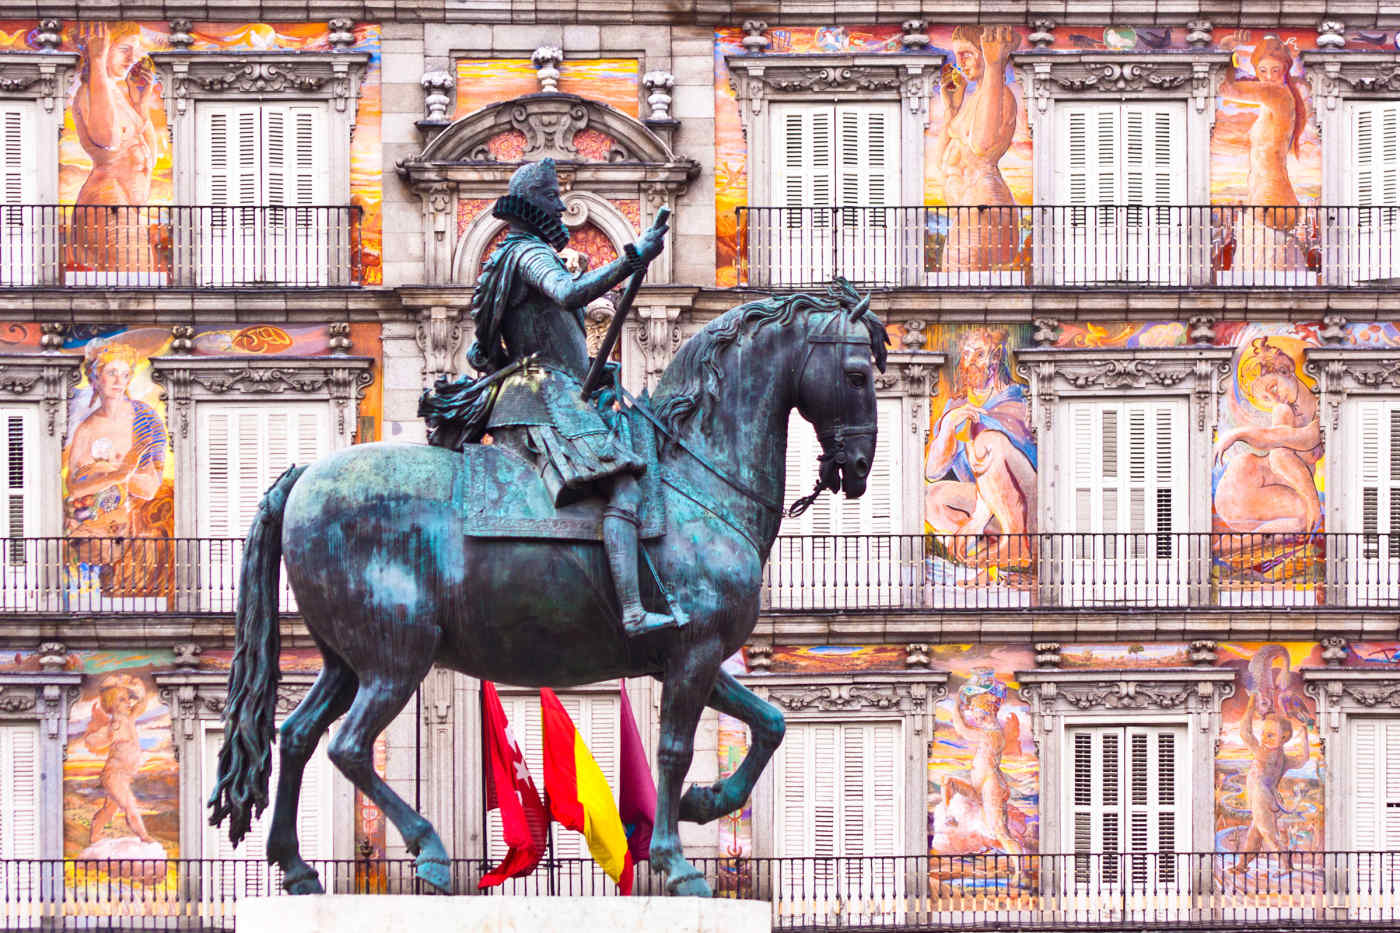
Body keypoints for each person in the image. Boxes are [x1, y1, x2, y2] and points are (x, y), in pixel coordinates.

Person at [422, 159, 674, 637]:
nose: (561, 209)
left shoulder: (506, 257)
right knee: (623, 485)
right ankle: (633, 611)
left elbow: (489, 346)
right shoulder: (527, 253)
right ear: (538, 207)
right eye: (554, 200)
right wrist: (631, 258)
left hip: (541, 390)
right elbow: (570, 292)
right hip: (544, 396)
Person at [924, 329, 1036, 567]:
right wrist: (948, 426)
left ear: (995, 358)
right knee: (928, 497)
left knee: (987, 441)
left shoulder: (1016, 399)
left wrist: (976, 520)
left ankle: (1016, 544)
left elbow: (999, 466)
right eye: (966, 355)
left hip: (1028, 505)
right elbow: (932, 471)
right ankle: (980, 556)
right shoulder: (957, 405)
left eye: (979, 355)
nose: (971, 362)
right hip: (990, 508)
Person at [69, 22, 160, 275]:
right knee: (133, 286)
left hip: (126, 207)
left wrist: (141, 102)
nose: (132, 58)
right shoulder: (91, 91)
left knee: (140, 282)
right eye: (123, 49)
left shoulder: (116, 94)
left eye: (135, 50)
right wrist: (97, 61)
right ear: (103, 48)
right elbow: (107, 139)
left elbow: (145, 149)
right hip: (109, 203)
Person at [930, 26, 1021, 274]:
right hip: (971, 207)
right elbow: (943, 164)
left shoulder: (1001, 94)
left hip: (985, 205)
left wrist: (994, 67)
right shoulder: (974, 100)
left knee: (964, 287)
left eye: (967, 54)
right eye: (957, 55)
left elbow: (982, 145)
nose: (960, 63)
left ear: (986, 52)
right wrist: (951, 110)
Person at [1218, 34, 1309, 274]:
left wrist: (1228, 53)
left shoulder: (1278, 95)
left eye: (1275, 70)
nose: (1268, 77)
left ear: (1285, 70)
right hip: (1270, 199)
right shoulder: (1276, 99)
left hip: (1272, 199)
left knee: (1262, 281)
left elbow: (1227, 89)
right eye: (1263, 70)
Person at [1214, 338, 1321, 540]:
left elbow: (1300, 438)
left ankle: (1237, 543)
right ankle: (1235, 545)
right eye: (1265, 399)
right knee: (1303, 516)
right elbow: (1280, 456)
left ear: (1286, 368)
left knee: (1303, 519)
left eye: (1272, 388)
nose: (1274, 400)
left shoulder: (1320, 409)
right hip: (1245, 484)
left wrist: (1238, 434)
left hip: (1257, 488)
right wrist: (1313, 502)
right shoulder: (1283, 411)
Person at [64, 343, 167, 542]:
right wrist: (119, 474)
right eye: (112, 373)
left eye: (125, 374)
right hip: (93, 529)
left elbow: (150, 488)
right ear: (95, 378)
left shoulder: (144, 418)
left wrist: (102, 473)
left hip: (135, 529)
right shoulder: (85, 429)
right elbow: (75, 488)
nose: (119, 381)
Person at [941, 675, 1027, 861]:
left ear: (986, 709)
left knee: (1001, 832)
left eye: (974, 707)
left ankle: (1021, 871)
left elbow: (961, 729)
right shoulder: (989, 731)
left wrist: (957, 704)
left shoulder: (992, 733)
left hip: (991, 786)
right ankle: (950, 817)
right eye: (970, 708)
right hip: (979, 786)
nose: (971, 711)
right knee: (948, 782)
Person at [1229, 694, 1309, 874]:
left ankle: (1285, 866)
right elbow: (1303, 759)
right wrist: (1304, 735)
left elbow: (1245, 733)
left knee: (1268, 833)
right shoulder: (1284, 759)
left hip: (1261, 797)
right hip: (1270, 799)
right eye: (1264, 733)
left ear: (1284, 737)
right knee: (1255, 834)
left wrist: (1250, 706)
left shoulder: (1262, 753)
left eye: (1270, 735)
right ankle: (1242, 865)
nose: (1264, 738)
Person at [84, 674, 155, 844]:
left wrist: (138, 687)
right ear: (113, 703)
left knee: (109, 810)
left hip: (124, 776)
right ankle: (144, 837)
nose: (129, 702)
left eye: (128, 699)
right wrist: (100, 729)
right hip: (114, 775)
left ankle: (95, 835)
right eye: (123, 699)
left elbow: (141, 704)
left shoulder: (129, 719)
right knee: (130, 805)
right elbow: (92, 741)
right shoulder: (113, 726)